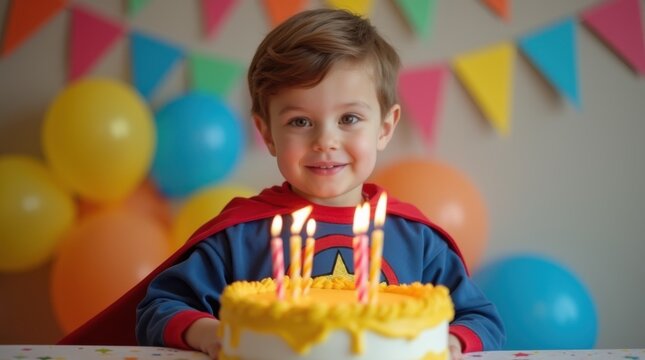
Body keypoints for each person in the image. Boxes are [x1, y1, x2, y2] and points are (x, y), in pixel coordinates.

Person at [59, 8, 504, 360]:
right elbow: (159, 310)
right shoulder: (238, 236)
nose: (325, 140)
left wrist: (451, 343)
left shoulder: (418, 240)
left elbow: (481, 320)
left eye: (349, 118)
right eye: (300, 121)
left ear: (385, 127)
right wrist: (214, 334)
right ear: (267, 132)